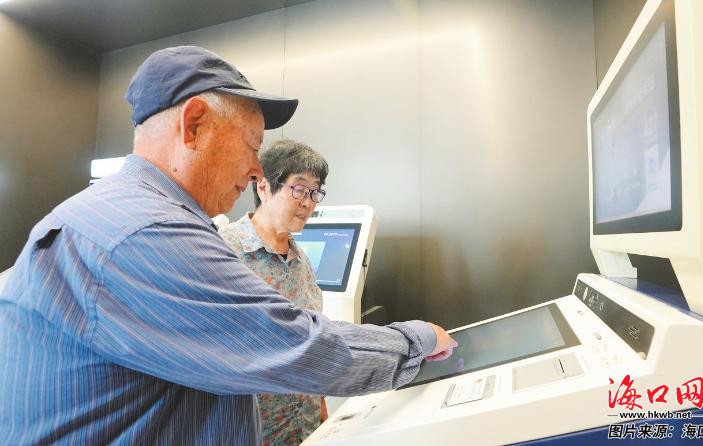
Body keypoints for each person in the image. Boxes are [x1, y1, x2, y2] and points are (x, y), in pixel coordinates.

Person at [0, 46, 457, 445]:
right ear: (194, 124)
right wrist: (414, 340)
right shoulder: (148, 230)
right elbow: (287, 342)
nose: (257, 170)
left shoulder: (119, 213)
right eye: (251, 145)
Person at [219, 139, 329, 445]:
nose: (308, 202)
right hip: (253, 430)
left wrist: (321, 406)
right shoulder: (225, 251)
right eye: (300, 189)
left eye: (315, 192)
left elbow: (312, 338)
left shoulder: (300, 260)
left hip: (304, 427)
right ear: (264, 187)